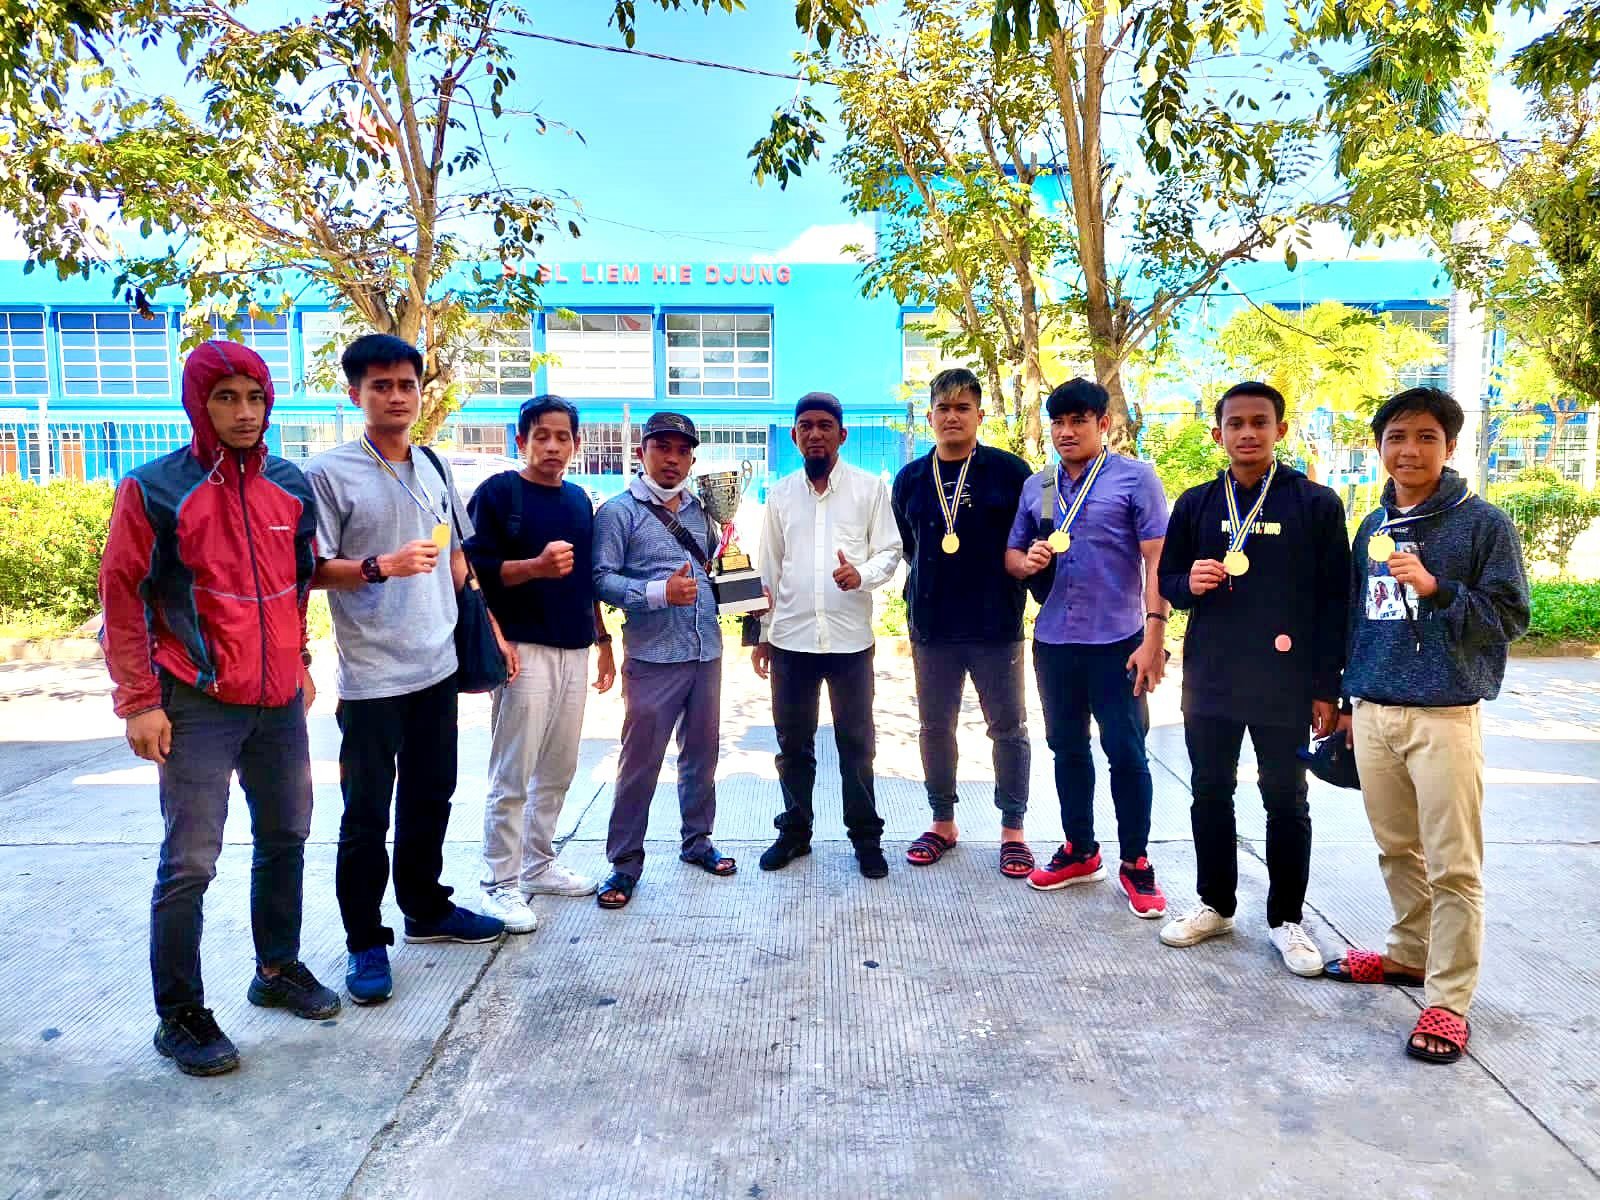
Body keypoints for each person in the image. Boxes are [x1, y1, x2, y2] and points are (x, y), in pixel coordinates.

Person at [100, 341, 339, 1076]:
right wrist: (140, 702)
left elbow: (295, 583)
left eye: (255, 397)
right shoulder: (154, 489)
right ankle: (179, 1014)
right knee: (190, 862)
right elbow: (123, 598)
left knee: (287, 836)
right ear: (197, 404)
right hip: (195, 702)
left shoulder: (289, 485)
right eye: (226, 397)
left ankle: (277, 969)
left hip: (276, 703)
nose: (244, 412)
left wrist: (299, 662)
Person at [306, 334, 515, 1006]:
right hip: (371, 676)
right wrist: (380, 566)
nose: (396, 397)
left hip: (437, 666)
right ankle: (365, 940)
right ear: (355, 394)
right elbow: (312, 570)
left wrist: (486, 624)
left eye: (406, 385)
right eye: (381, 386)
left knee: (431, 796)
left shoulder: (433, 464)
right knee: (366, 814)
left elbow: (455, 554)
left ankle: (426, 908)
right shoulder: (329, 473)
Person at [1328, 387, 1528, 1065]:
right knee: (1396, 849)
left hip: (1445, 713)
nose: (1409, 450)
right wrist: (1348, 697)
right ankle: (1409, 954)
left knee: (1454, 866)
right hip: (1374, 710)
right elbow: (1358, 616)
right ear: (1378, 447)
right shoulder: (1372, 525)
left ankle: (1448, 1001)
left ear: (1449, 446)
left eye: (1425, 437)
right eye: (1396, 437)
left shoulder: (1483, 525)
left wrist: (1437, 588)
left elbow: (1509, 619)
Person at [1155, 381, 1352, 975]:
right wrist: (1189, 582)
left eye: (1259, 422)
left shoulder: (1316, 503)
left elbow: (1334, 602)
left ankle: (1287, 919)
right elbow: (1168, 582)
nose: (1247, 433)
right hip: (1211, 677)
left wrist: (1328, 687)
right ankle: (1215, 904)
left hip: (1285, 681)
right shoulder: (1195, 503)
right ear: (1217, 433)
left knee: (1286, 798)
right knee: (1210, 791)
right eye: (1235, 423)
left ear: (1279, 430)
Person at [1006, 378, 1171, 918]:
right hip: (1055, 641)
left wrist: (1154, 638)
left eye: (1078, 421)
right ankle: (1080, 850)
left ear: (1103, 424)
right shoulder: (1039, 486)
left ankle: (1136, 862)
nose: (1066, 431)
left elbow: (1157, 560)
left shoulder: (1136, 478)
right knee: (1067, 749)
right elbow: (1011, 556)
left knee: (1126, 751)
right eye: (1058, 422)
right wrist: (1027, 561)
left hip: (1118, 642)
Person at [465, 394, 617, 933]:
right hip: (521, 649)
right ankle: (498, 882)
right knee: (513, 770)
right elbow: (475, 572)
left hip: (574, 646)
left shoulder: (578, 500)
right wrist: (533, 566)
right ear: (521, 441)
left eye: (562, 437)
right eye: (541, 436)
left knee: (559, 766)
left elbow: (585, 579)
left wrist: (602, 639)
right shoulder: (498, 493)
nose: (552, 446)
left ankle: (538, 863)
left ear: (576, 443)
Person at [591, 412, 747, 909]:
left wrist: (745, 592)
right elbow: (600, 579)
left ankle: (697, 841)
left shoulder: (704, 511)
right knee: (640, 763)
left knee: (701, 756)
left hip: (706, 652)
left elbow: (714, 569)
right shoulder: (619, 512)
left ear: (692, 460)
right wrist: (659, 592)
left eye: (682, 451)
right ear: (642, 452)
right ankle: (624, 863)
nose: (672, 459)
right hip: (652, 657)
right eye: (662, 448)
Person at [890, 368, 1036, 878]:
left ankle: (1013, 830)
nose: (952, 417)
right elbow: (908, 545)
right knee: (935, 727)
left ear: (979, 414)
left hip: (996, 623)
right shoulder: (911, 478)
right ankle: (942, 822)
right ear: (930, 416)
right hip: (932, 626)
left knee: (1008, 728)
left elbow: (1032, 535)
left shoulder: (1010, 472)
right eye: (943, 408)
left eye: (962, 408)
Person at [753, 393, 903, 879]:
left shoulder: (869, 490)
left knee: (857, 745)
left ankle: (866, 838)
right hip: (791, 641)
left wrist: (861, 575)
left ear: (842, 434)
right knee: (792, 745)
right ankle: (795, 832)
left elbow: (890, 551)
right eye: (806, 426)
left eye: (824, 425)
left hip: (849, 643)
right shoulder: (780, 495)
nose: (815, 434)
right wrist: (762, 635)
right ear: (794, 436)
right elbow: (769, 569)